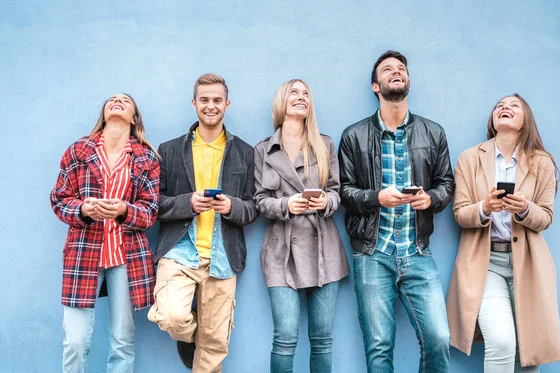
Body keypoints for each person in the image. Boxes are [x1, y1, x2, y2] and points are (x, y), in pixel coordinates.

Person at [338, 50, 455, 373]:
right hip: (372, 253)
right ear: (376, 86)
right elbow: (344, 191)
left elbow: (447, 183)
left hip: (417, 251)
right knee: (379, 350)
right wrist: (378, 197)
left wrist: (430, 199)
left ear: (408, 81)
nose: (396, 72)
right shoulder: (353, 135)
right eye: (387, 69)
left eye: (401, 68)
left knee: (439, 340)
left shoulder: (433, 132)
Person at [446, 94, 560, 372]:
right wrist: (485, 207)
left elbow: (546, 217)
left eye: (514, 106)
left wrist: (524, 208)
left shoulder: (542, 162)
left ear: (526, 122)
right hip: (485, 264)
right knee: (501, 342)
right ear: (493, 120)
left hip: (529, 265)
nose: (504, 108)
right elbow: (460, 213)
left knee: (528, 351)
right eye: (499, 105)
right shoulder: (470, 158)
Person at [147, 73, 258, 373]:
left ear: (227, 104)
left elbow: (252, 208)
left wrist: (231, 206)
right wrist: (188, 203)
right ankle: (189, 338)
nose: (211, 106)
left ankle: (204, 340)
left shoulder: (245, 152)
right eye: (205, 100)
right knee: (172, 317)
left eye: (217, 100)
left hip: (223, 256)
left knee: (213, 348)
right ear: (194, 103)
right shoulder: (169, 150)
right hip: (179, 252)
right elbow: (153, 204)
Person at [50, 93, 160, 372]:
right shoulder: (78, 151)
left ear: (134, 117)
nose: (118, 100)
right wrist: (84, 210)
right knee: (74, 341)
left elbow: (150, 211)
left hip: (127, 257)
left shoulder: (146, 157)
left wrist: (124, 210)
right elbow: (59, 199)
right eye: (112, 99)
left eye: (126, 100)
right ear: (104, 113)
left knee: (122, 341)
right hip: (83, 253)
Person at [254, 79, 349, 373]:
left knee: (322, 339)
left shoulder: (325, 144)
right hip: (281, 252)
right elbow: (259, 199)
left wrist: (325, 203)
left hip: (324, 249)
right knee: (285, 338)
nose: (301, 97)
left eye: (306, 93)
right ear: (281, 101)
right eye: (294, 92)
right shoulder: (263, 150)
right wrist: (286, 205)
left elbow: (337, 191)